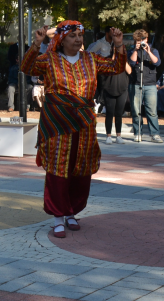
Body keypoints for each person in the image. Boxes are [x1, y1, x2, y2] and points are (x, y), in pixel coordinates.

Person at [22, 23, 125, 239]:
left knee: (81, 166)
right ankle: (58, 217)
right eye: (72, 36)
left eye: (80, 35)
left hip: (84, 120)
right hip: (57, 120)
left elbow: (116, 68)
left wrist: (119, 45)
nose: (78, 40)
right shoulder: (50, 59)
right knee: (59, 166)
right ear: (62, 39)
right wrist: (37, 43)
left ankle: (71, 212)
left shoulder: (90, 58)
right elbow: (27, 68)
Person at [128, 30, 162, 143]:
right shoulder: (132, 51)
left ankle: (155, 134)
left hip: (150, 84)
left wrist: (148, 51)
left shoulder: (154, 50)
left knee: (152, 111)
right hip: (136, 83)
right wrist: (136, 50)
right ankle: (137, 133)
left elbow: (157, 63)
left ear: (146, 39)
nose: (141, 42)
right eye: (138, 40)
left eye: (142, 40)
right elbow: (132, 63)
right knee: (136, 110)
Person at [101, 46, 131, 145]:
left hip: (122, 89)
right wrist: (114, 56)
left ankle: (118, 135)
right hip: (109, 89)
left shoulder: (125, 60)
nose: (118, 50)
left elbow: (129, 71)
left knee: (119, 113)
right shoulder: (108, 59)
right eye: (116, 49)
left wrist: (123, 59)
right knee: (109, 113)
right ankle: (108, 136)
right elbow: (107, 69)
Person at [7, 39, 21, 113]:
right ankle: (11, 106)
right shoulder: (13, 68)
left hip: (25, 84)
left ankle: (27, 106)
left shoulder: (27, 68)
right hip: (15, 83)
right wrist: (17, 82)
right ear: (16, 60)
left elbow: (29, 79)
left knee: (30, 87)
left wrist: (22, 83)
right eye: (19, 59)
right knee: (10, 88)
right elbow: (10, 79)